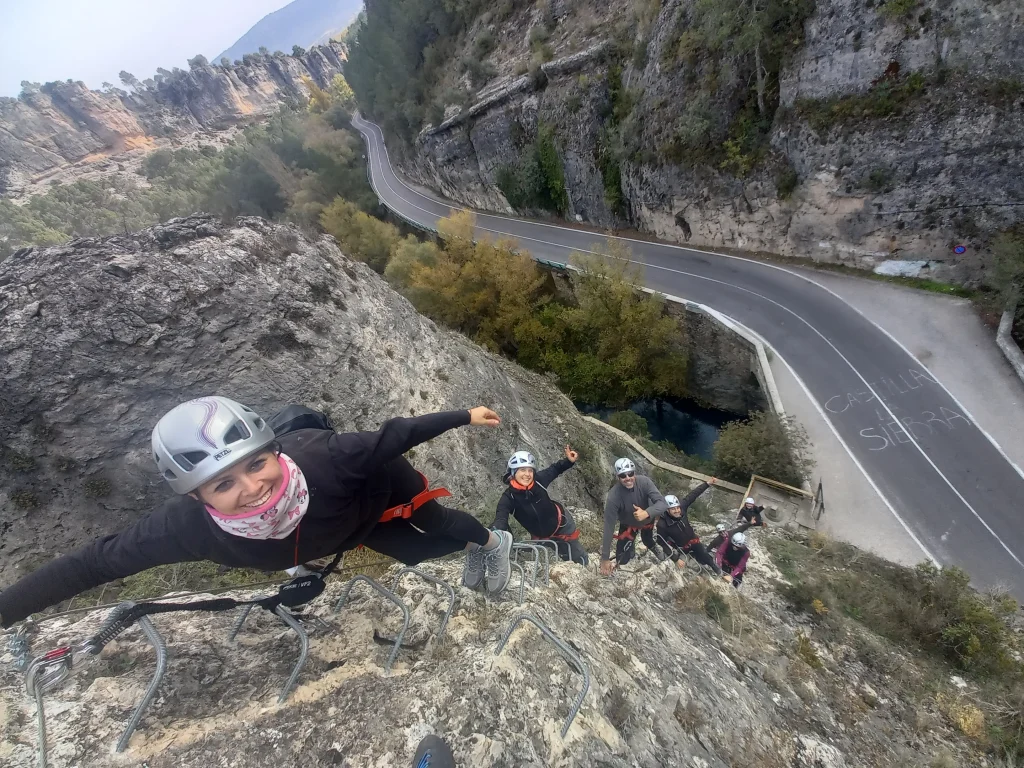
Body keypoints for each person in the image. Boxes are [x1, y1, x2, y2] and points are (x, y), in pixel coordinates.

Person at [0, 396, 515, 628]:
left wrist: (466, 416)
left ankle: (495, 546)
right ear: (196, 499)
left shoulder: (328, 456)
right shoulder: (184, 529)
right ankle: (463, 552)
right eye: (223, 484)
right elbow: (95, 563)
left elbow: (396, 433)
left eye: (259, 463)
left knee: (440, 525)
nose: (253, 488)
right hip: (345, 530)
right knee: (419, 556)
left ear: (275, 452)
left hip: (377, 491)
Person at [491, 446, 588, 565]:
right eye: (522, 470)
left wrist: (568, 461)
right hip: (542, 537)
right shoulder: (508, 498)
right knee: (561, 558)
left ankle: (587, 570)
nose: (527, 474)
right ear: (513, 472)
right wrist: (495, 532)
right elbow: (501, 518)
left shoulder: (538, 480)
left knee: (577, 556)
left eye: (530, 470)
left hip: (563, 525)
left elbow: (555, 469)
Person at [599, 458, 668, 575]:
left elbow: (662, 503)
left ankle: (653, 548)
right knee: (623, 558)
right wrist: (605, 558)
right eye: (623, 475)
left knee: (647, 539)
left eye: (630, 473)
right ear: (618, 477)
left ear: (634, 473)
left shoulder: (644, 482)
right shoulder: (614, 496)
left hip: (647, 521)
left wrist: (646, 513)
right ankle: (630, 553)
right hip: (628, 526)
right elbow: (609, 526)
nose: (627, 478)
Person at [657, 480, 722, 575]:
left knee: (704, 555)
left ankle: (714, 567)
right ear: (667, 510)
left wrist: (707, 484)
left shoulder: (682, 507)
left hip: (693, 540)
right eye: (673, 509)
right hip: (681, 547)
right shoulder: (662, 524)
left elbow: (693, 495)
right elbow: (661, 542)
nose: (677, 511)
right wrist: (675, 559)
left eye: (677, 508)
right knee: (683, 568)